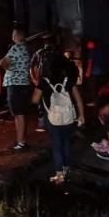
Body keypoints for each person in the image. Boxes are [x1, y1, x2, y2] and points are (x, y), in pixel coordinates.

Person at [32, 52, 85, 184]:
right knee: (66, 143)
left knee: (56, 145)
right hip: (68, 118)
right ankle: (67, 170)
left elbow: (34, 100)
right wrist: (81, 115)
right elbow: (78, 100)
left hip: (52, 119)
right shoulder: (68, 80)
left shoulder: (44, 81)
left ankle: (59, 174)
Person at [0, 24, 31, 151]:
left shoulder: (15, 48)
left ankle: (21, 142)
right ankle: (21, 140)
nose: (12, 37)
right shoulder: (25, 48)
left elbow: (2, 62)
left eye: (13, 34)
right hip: (24, 83)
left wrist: (8, 69)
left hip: (15, 84)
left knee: (18, 114)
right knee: (21, 113)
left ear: (17, 36)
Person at [30, 34, 57, 132]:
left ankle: (46, 121)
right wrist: (34, 79)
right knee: (44, 102)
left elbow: (32, 67)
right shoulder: (40, 53)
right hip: (47, 82)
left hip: (45, 82)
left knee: (43, 102)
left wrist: (34, 79)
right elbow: (32, 67)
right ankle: (46, 121)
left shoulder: (42, 53)